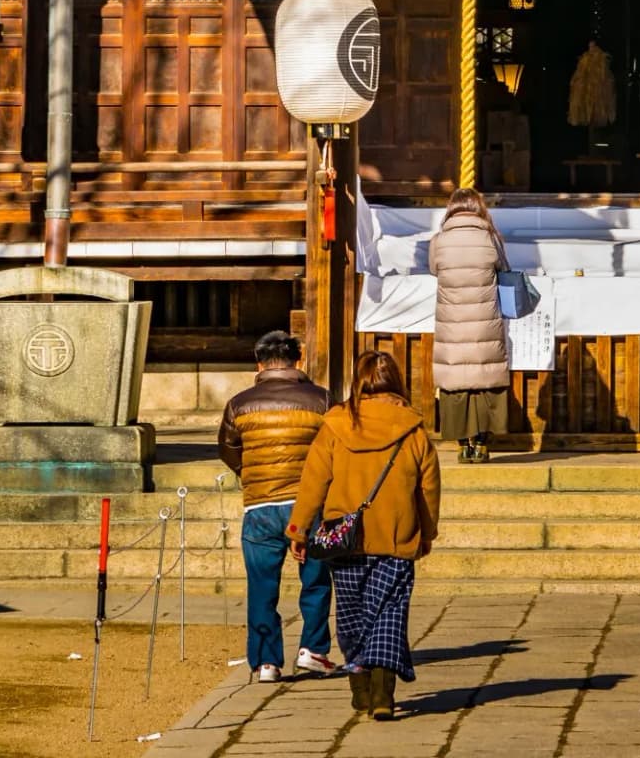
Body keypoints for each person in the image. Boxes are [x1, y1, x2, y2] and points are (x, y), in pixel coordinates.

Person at [287, 352, 442, 722]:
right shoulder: (413, 429)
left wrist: (299, 529)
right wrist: (427, 530)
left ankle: (360, 688)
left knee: (353, 615)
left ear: (358, 381)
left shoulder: (336, 426)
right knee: (389, 613)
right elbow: (428, 487)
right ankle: (382, 694)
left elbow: (313, 482)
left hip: (345, 538)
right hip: (396, 535)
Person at [216, 329, 334, 683]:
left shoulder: (240, 403)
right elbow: (335, 448)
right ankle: (313, 649)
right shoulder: (322, 400)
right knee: (315, 580)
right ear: (298, 360)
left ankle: (266, 661)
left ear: (259, 362)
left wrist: (249, 473)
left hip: (260, 505)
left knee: (262, 587)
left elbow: (228, 448)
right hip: (308, 504)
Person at [428, 186, 511, 464]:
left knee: (457, 383)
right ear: (479, 209)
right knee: (485, 378)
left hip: (452, 322)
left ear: (451, 209)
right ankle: (483, 444)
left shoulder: (439, 240)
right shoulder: (490, 238)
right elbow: (504, 268)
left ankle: (463, 445)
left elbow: (433, 268)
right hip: (484, 322)